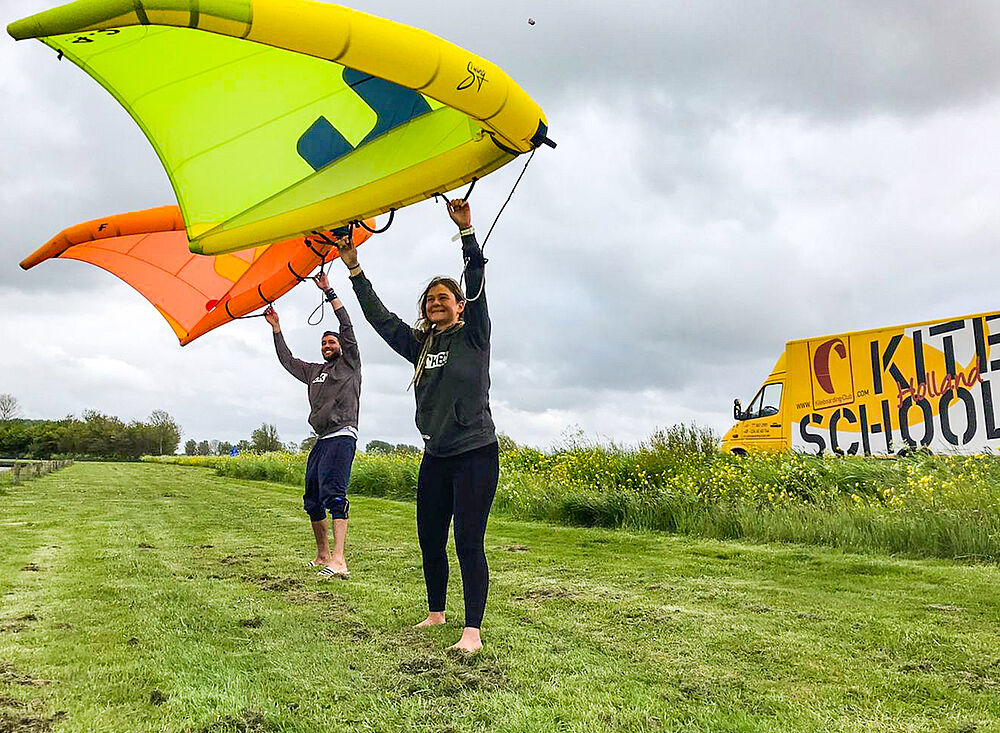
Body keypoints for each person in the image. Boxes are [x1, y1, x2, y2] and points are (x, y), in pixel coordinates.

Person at [336, 199, 498, 653]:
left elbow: (479, 287)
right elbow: (380, 319)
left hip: (475, 453)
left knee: (467, 539)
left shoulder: (474, 335)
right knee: (430, 537)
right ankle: (436, 611)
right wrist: (354, 270)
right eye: (430, 300)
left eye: (443, 298)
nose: (435, 303)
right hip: (436, 456)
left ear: (460, 306)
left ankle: (472, 631)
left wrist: (467, 234)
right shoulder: (420, 345)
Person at [263, 269, 360, 580]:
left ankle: (340, 560)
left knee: (334, 494)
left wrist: (329, 292)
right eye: (324, 343)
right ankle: (322, 555)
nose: (327, 345)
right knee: (312, 499)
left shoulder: (349, 364)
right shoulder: (315, 371)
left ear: (341, 346)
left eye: (331, 341)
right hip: (321, 439)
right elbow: (287, 360)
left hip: (342, 436)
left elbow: (347, 326)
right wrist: (276, 328)